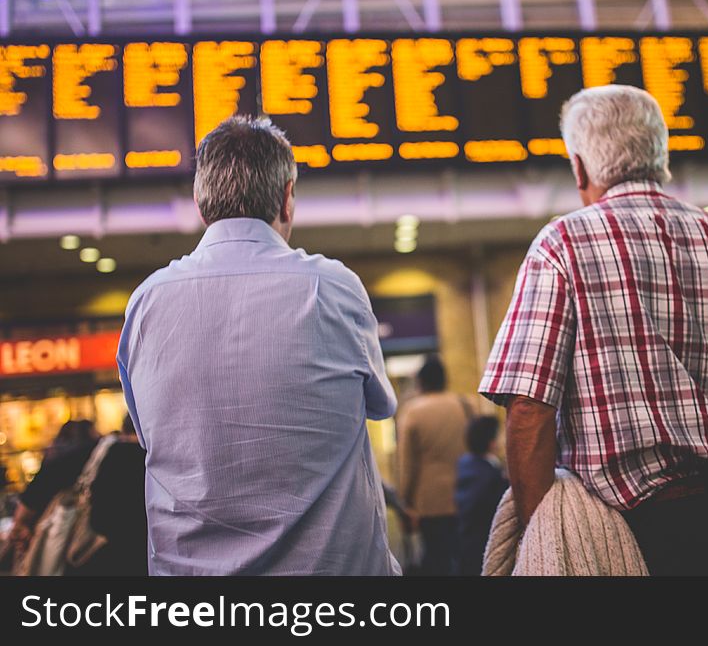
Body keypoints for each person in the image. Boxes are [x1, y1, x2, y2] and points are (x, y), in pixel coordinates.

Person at [479, 85, 708, 576]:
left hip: (622, 534)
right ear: (662, 155)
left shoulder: (561, 245)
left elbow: (528, 407)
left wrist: (543, 532)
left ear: (579, 167)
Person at [117, 116, 399, 576]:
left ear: (199, 202)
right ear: (287, 198)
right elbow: (380, 405)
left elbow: (151, 433)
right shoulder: (332, 287)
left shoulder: (147, 302)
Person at [397, 356, 470, 575]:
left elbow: (407, 464)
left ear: (421, 382)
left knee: (437, 560)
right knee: (464, 557)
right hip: (464, 494)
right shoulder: (465, 405)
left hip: (429, 502)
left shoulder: (412, 412)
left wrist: (404, 502)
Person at [9, 420, 99, 559]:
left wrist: (21, 523)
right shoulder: (77, 460)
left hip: (53, 545)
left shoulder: (54, 464)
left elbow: (28, 503)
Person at [71, 416, 147, 576]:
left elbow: (98, 518)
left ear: (125, 429)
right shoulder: (156, 458)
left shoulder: (115, 454)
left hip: (114, 554)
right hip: (148, 554)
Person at [454, 416, 508, 576]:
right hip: (483, 545)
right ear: (491, 442)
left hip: (466, 542)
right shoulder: (490, 475)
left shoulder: (466, 464)